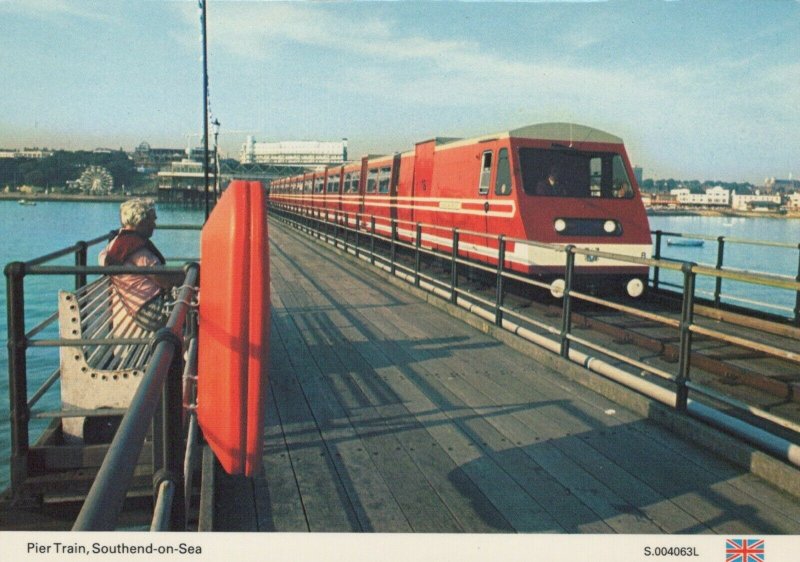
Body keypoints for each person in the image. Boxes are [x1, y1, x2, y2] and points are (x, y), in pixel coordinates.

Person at [99, 198, 184, 331]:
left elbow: (103, 258)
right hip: (152, 311)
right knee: (199, 309)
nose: (154, 225)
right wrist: (190, 275)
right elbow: (164, 279)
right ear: (141, 221)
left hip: (142, 310)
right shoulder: (136, 249)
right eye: (152, 221)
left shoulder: (118, 243)